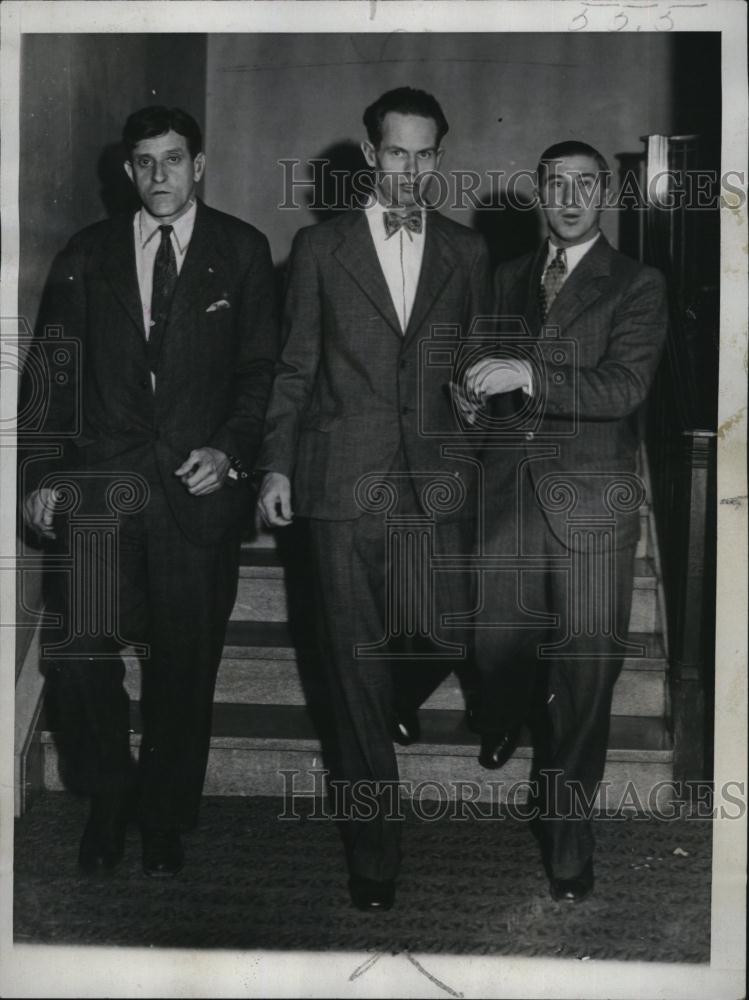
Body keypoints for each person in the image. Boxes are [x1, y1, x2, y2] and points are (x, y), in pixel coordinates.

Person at [21, 106, 278, 877]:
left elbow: (261, 372)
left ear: (199, 165)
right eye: (144, 162)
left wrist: (230, 450)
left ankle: (164, 815)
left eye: (173, 159)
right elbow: (50, 375)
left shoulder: (242, 250)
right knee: (77, 658)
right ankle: (109, 796)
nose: (158, 175)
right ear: (127, 171)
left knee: (184, 665)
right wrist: (41, 475)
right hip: (99, 487)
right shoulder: (87, 253)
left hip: (195, 494)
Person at [257, 87, 489, 911]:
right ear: (369, 154)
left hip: (431, 478)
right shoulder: (318, 249)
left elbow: (470, 362)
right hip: (336, 476)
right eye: (397, 153)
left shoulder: (468, 252)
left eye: (426, 155)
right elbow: (294, 368)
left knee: (450, 625)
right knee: (350, 673)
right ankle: (374, 854)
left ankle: (390, 702)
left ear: (439, 158)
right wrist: (277, 467)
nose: (412, 170)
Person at [461, 141, 667, 902]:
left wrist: (526, 374)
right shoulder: (506, 277)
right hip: (507, 499)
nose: (570, 197)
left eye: (586, 185)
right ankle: (509, 710)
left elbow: (622, 388)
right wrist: (467, 396)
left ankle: (568, 838)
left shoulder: (636, 283)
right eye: (556, 183)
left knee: (584, 678)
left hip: (590, 508)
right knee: (492, 646)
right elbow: (474, 369)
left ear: (605, 194)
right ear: (538, 192)